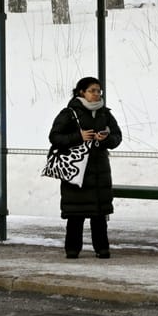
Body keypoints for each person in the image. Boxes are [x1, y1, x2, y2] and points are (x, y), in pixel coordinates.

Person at [49, 77, 122, 258]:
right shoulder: (69, 113)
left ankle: (102, 248)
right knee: (76, 213)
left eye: (99, 91)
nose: (96, 94)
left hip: (100, 172)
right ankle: (72, 249)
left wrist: (106, 139)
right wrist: (78, 136)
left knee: (99, 213)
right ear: (82, 92)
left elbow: (117, 137)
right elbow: (55, 137)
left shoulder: (105, 113)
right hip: (77, 171)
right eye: (92, 91)